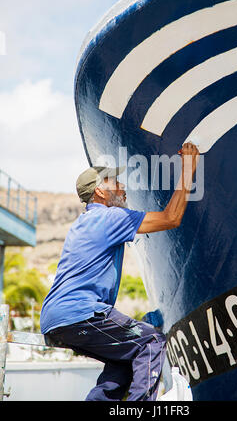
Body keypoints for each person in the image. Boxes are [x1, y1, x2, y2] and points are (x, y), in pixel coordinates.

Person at [40, 142, 200, 401]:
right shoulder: (109, 217)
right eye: (115, 183)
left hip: (56, 317)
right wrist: (189, 166)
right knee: (151, 342)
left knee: (126, 356)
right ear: (101, 192)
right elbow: (171, 218)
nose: (123, 188)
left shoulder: (84, 223)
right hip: (80, 314)